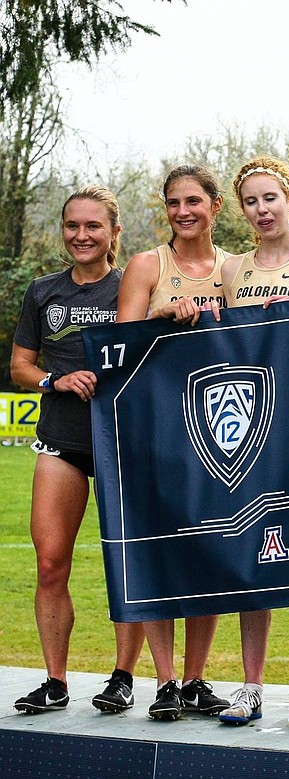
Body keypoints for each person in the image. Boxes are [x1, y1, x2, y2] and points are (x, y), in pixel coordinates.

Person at [11, 187, 146, 715]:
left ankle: (123, 676)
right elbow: (21, 366)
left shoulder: (133, 287)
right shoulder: (43, 291)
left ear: (114, 232)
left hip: (123, 446)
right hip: (61, 442)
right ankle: (55, 681)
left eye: (94, 226)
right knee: (49, 564)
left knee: (128, 563)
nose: (82, 235)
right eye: (73, 226)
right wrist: (55, 380)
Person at [215, 156, 289, 727]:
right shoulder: (231, 270)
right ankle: (250, 684)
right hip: (247, 432)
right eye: (251, 202)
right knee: (251, 559)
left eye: (270, 198)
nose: (262, 210)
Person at [116, 164, 229, 720]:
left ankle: (195, 678)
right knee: (157, 555)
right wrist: (157, 317)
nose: (183, 212)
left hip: (216, 433)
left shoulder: (236, 268)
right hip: (154, 428)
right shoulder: (146, 265)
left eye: (193, 201)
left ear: (215, 207)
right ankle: (163, 681)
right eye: (173, 203)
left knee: (205, 555)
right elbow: (117, 352)